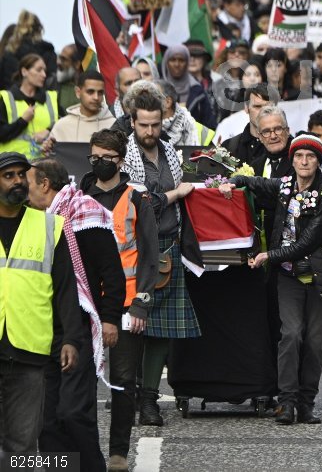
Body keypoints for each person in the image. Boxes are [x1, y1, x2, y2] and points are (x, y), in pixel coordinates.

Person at [222, 133, 322, 425]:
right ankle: (286, 402)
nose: (304, 162)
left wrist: (270, 255)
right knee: (290, 335)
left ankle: (306, 403)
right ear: (292, 160)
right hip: (289, 276)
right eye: (299, 156)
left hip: (320, 278)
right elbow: (256, 183)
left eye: (310, 157)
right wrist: (235, 182)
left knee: (315, 343)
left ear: (318, 162)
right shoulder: (285, 186)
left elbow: (308, 242)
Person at [28, 158, 124, 472]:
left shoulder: (86, 213)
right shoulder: (35, 218)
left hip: (79, 325)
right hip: (42, 326)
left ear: (44, 184)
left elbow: (111, 271)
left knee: (74, 412)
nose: (23, 190)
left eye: (28, 183)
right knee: (47, 417)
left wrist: (110, 317)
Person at [120, 85, 199, 425]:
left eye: (155, 124)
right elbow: (144, 206)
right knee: (134, 327)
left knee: (160, 332)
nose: (150, 132)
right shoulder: (124, 157)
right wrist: (177, 192)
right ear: (133, 122)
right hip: (136, 250)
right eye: (143, 126)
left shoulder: (169, 152)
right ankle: (130, 391)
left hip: (169, 245)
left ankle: (149, 400)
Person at [80, 129, 158, 471]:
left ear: (121, 161)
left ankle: (118, 454)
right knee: (81, 383)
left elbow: (150, 256)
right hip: (85, 302)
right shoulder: (79, 196)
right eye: (94, 157)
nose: (99, 163)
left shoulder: (137, 199)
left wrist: (142, 302)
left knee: (123, 382)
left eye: (107, 158)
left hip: (126, 303)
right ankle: (83, 452)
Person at [0, 151, 81, 456]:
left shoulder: (50, 227)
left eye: (22, 175)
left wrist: (72, 338)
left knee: (21, 446)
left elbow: (65, 289)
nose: (18, 181)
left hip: (30, 353)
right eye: (9, 176)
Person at [0, 54, 58, 160]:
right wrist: (23, 121)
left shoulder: (51, 97)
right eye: (39, 70)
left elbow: (63, 123)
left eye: (44, 70)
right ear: (24, 71)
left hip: (43, 164)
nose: (44, 75)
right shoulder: (5, 98)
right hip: (13, 164)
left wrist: (49, 130)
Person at [49, 69, 116, 143]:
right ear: (78, 92)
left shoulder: (114, 126)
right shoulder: (62, 126)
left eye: (100, 92)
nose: (96, 97)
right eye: (90, 92)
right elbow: (51, 152)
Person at [221, 83, 273, 167]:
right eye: (257, 106)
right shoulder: (228, 147)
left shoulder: (284, 145)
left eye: (268, 107)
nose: (263, 112)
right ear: (246, 107)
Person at [153, 80, 203, 148]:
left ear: (167, 102)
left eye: (153, 97)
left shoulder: (191, 126)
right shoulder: (144, 123)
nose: (148, 101)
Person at [54, 45, 80, 116]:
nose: (58, 62)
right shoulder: (51, 84)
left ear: (77, 64)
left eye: (64, 59)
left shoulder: (90, 87)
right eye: (59, 58)